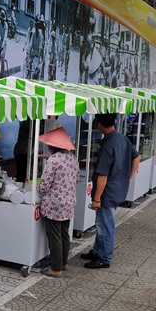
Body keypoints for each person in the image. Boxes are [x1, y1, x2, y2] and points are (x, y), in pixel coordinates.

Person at [81, 113, 140, 269]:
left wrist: (97, 199)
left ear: (99, 124)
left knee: (105, 226)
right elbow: (137, 157)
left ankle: (104, 258)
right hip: (118, 188)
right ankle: (97, 251)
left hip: (107, 193)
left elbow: (102, 175)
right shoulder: (122, 138)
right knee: (102, 222)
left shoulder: (108, 145)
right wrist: (129, 177)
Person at [37, 127, 79, 278]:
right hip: (69, 202)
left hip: (55, 204)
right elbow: (76, 179)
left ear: (53, 146)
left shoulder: (53, 160)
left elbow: (45, 185)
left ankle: (55, 268)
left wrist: (39, 190)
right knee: (64, 234)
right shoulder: (72, 158)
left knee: (54, 236)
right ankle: (64, 263)